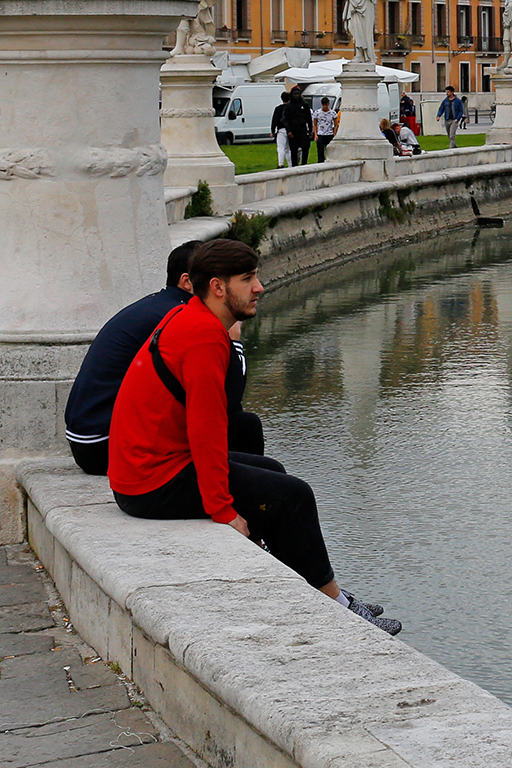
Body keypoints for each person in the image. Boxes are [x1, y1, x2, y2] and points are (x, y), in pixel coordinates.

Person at [109, 240, 399, 633]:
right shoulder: (204, 337)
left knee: (272, 472)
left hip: (144, 469)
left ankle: (302, 588)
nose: (260, 287)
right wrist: (223, 511)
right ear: (218, 287)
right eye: (248, 279)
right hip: (151, 481)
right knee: (293, 496)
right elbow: (207, 431)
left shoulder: (189, 315)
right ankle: (337, 605)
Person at [65, 241, 268, 472]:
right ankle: (235, 491)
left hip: (89, 439)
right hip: (104, 445)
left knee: (241, 427)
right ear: (187, 281)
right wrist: (234, 341)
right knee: (245, 428)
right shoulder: (180, 317)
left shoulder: (159, 305)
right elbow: (229, 402)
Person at [269, 86, 298, 170]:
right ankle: (290, 164)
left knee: (281, 147)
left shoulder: (278, 109)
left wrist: (272, 130)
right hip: (291, 130)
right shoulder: (291, 108)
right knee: (289, 148)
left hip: (281, 130)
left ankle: (280, 163)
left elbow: (274, 120)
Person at [312, 95, 336, 161]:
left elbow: (336, 124)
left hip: (329, 134)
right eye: (323, 105)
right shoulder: (317, 113)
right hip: (320, 134)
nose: (325, 106)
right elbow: (315, 124)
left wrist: (334, 133)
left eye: (326, 105)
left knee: (330, 152)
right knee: (320, 152)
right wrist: (316, 135)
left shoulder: (332, 113)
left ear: (328, 104)